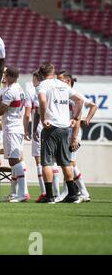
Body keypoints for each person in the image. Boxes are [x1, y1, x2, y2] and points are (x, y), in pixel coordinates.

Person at [36, 62, 84, 203]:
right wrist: (74, 117)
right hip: (64, 127)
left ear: (41, 74)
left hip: (51, 127)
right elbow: (79, 100)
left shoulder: (43, 85)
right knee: (65, 162)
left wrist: (44, 118)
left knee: (46, 163)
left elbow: (43, 100)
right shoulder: (63, 84)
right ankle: (73, 194)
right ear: (53, 72)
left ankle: (50, 196)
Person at [56, 71, 97, 203]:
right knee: (67, 163)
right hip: (66, 131)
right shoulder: (63, 94)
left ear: (68, 82)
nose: (57, 81)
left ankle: (82, 193)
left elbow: (93, 106)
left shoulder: (75, 96)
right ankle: (71, 192)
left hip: (73, 132)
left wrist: (87, 120)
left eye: (60, 79)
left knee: (69, 163)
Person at [0, 67, 30, 202]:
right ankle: (18, 193)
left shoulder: (10, 92)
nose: (3, 77)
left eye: (5, 74)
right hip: (16, 127)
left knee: (15, 160)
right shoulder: (20, 89)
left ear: (9, 76)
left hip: (12, 128)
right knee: (14, 160)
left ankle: (23, 193)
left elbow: (0, 111)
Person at [24, 71, 47, 202]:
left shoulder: (33, 91)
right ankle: (55, 192)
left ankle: (45, 192)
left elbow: (28, 114)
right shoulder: (50, 89)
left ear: (36, 78)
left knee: (39, 161)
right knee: (53, 161)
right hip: (52, 127)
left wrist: (27, 129)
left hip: (39, 128)